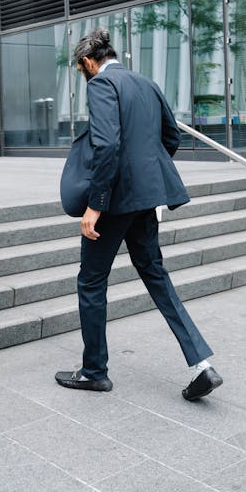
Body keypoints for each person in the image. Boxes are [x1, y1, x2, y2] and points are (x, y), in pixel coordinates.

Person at [55, 29, 222, 401]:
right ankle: (202, 365)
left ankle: (94, 371)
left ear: (87, 62)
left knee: (92, 282)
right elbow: (171, 138)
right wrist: (145, 177)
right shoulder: (146, 83)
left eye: (81, 68)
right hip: (146, 200)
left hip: (113, 203)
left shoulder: (100, 84)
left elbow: (107, 145)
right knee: (158, 278)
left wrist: (95, 205)